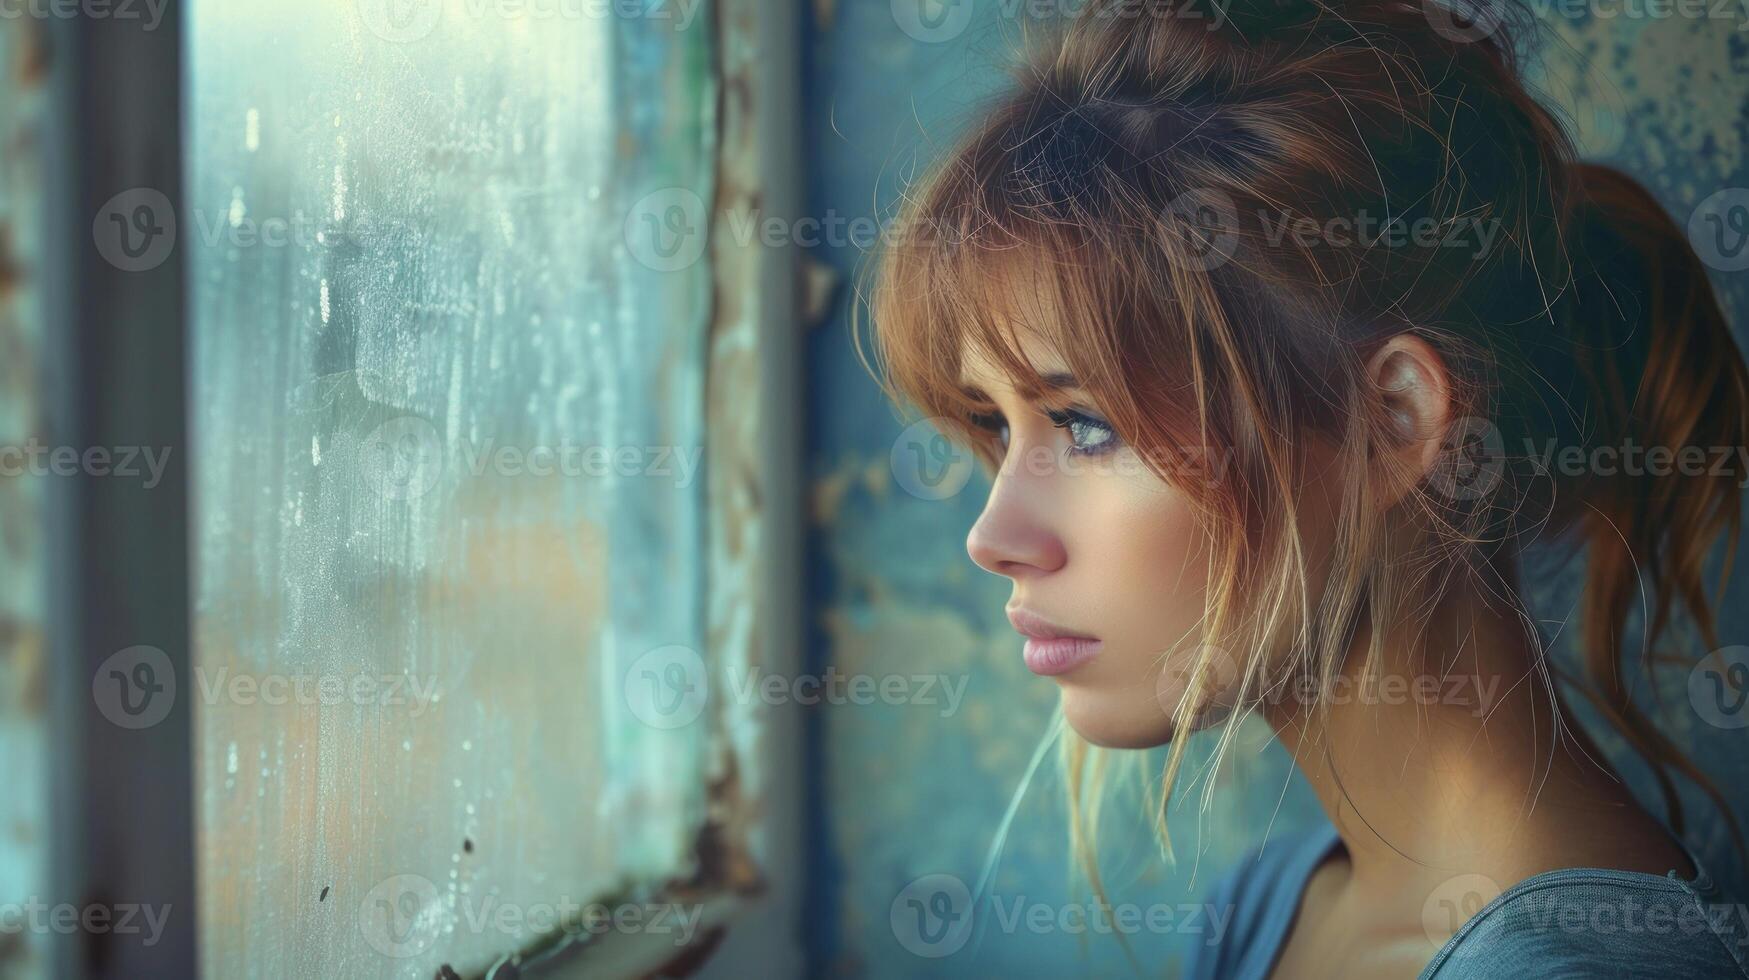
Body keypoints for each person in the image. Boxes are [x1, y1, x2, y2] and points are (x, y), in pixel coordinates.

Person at [855, 0, 1749, 975]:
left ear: (1394, 422)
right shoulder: (1274, 904)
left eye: (1084, 423)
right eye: (996, 423)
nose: (993, 535)